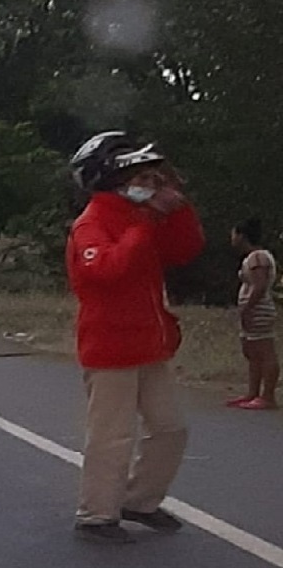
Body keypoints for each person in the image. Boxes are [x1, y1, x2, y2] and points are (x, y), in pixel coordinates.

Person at [66, 131, 205, 544]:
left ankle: (139, 501)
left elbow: (184, 249)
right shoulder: (92, 222)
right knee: (112, 436)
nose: (149, 183)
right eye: (143, 177)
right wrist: (143, 225)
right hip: (110, 348)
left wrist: (176, 208)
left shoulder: (136, 218)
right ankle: (96, 515)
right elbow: (104, 271)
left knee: (171, 428)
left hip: (150, 343)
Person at [227, 217, 279, 410]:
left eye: (234, 234)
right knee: (252, 352)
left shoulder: (258, 258)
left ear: (242, 235)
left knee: (265, 351)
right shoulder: (252, 258)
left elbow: (259, 286)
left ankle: (268, 396)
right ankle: (253, 393)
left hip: (259, 310)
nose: (232, 238)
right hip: (252, 310)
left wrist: (246, 308)